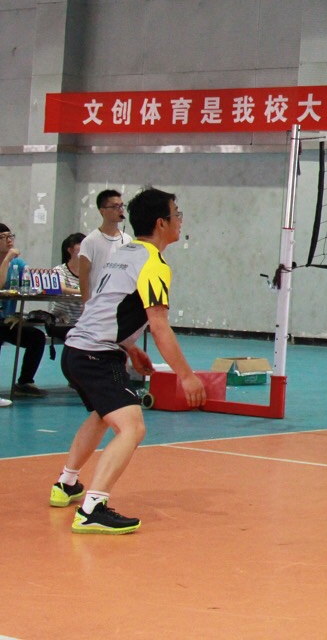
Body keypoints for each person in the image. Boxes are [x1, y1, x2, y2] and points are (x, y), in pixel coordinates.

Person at [49, 187, 206, 532]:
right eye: (177, 214)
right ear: (161, 223)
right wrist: (187, 376)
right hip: (96, 355)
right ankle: (92, 509)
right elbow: (159, 325)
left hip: (77, 350)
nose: (180, 221)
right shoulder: (154, 263)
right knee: (133, 427)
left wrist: (130, 348)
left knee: (102, 415)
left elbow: (108, 305)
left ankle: (67, 484)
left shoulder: (125, 252)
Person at [0, 223, 48, 400]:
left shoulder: (18, 264)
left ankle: (25, 382)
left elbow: (30, 284)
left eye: (10, 236)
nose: (9, 240)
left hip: (8, 320)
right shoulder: (9, 261)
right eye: (3, 237)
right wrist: (6, 260)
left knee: (37, 337)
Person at [78, 189, 132, 302]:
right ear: (102, 211)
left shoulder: (128, 240)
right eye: (115, 206)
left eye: (122, 206)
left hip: (121, 303)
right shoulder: (90, 241)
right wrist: (86, 304)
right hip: (97, 304)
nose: (120, 210)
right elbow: (83, 277)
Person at [48, 232, 88, 341]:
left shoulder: (91, 272)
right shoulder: (59, 270)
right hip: (61, 321)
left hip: (83, 321)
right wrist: (85, 291)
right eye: (80, 244)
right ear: (70, 250)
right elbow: (62, 288)